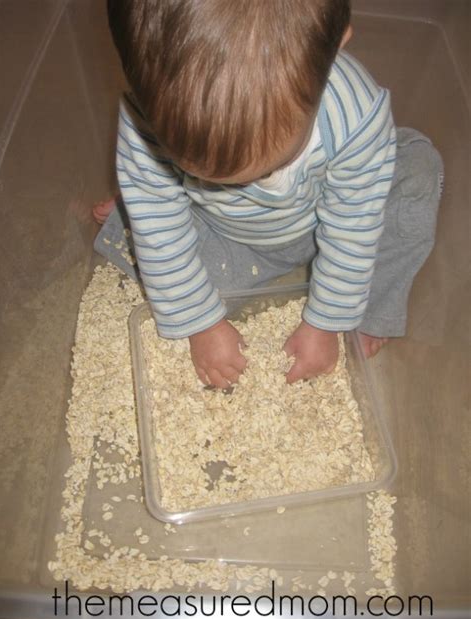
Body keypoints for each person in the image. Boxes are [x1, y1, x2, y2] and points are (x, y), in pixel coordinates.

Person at [94, 0, 443, 388]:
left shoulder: (356, 116)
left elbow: (353, 229)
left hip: (341, 208)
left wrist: (326, 321)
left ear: (333, 49)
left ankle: (374, 307)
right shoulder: (147, 120)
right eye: (205, 171)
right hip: (231, 234)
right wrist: (202, 322)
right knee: (170, 275)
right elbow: (162, 236)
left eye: (267, 167)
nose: (248, 185)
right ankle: (137, 202)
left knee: (419, 171)